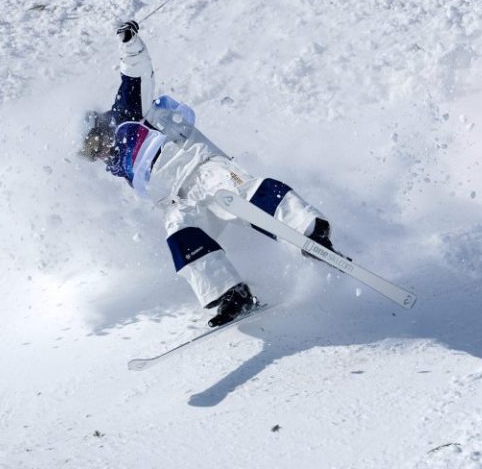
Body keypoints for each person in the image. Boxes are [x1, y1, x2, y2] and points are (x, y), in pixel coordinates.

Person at [81, 21, 340, 327]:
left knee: (240, 193)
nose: (96, 153)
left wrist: (130, 42)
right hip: (179, 201)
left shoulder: (126, 116)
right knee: (179, 234)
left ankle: (308, 230)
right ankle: (232, 293)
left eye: (94, 143)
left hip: (203, 167)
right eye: (89, 152)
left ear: (101, 128)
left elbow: (136, 73)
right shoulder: (117, 165)